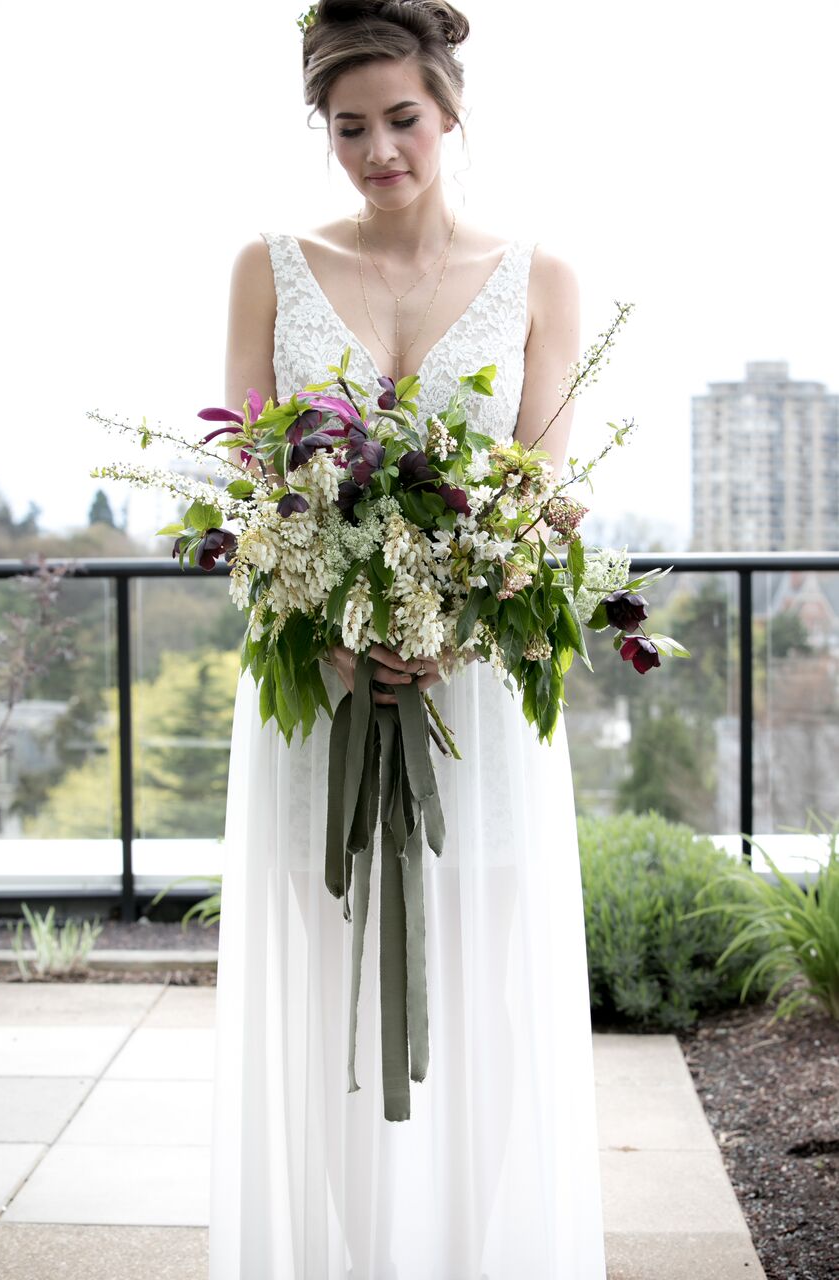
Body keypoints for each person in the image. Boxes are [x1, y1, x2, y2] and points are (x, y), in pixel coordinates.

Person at [209, 2, 607, 1276]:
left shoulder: (537, 277)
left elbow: (541, 504)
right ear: (320, 131)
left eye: (401, 121)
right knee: (325, 1004)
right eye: (348, 128)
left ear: (448, 110)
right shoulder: (267, 265)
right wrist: (333, 626)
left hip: (472, 704)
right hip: (314, 705)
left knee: (482, 1011)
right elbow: (247, 488)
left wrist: (458, 618)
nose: (379, 150)